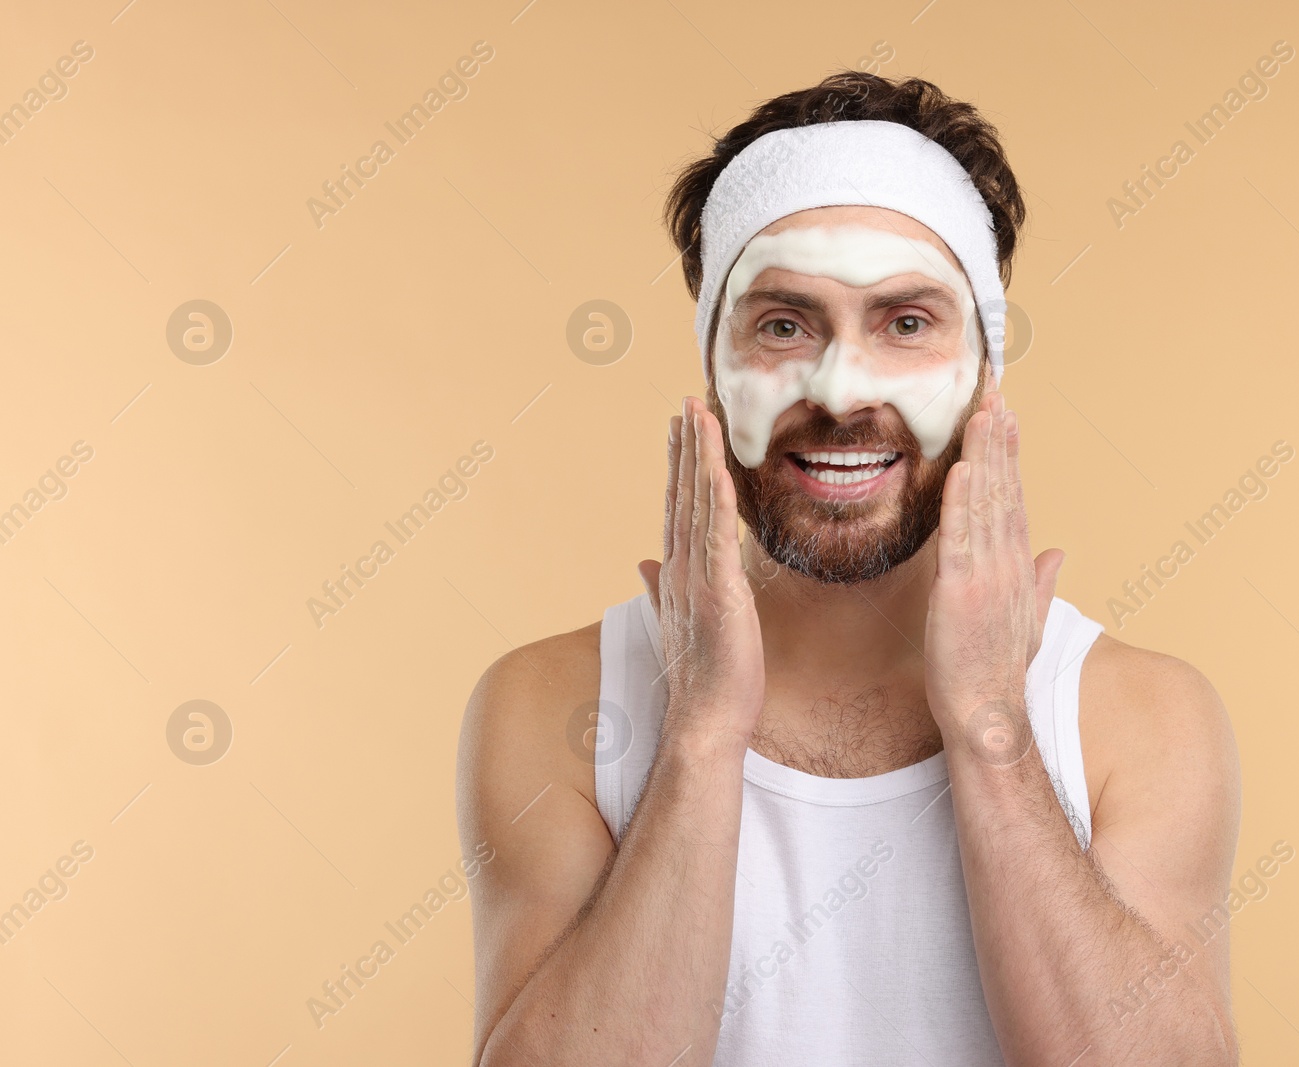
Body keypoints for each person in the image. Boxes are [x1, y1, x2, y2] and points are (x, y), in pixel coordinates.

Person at [455, 71, 1242, 1067]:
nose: (839, 391)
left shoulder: (1138, 717)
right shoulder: (557, 705)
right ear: (713, 364)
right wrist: (700, 729)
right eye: (782, 324)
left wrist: (992, 726)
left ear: (983, 372)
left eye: (905, 322)